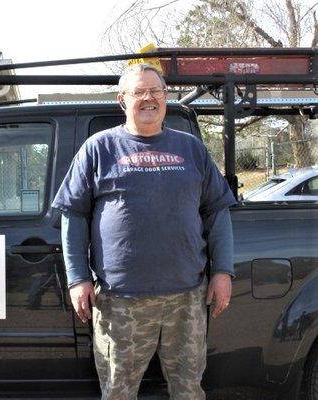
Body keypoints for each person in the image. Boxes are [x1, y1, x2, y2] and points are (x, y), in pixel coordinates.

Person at [52, 64, 237, 400]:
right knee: (118, 391)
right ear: (122, 99)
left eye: (156, 91)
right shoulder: (99, 149)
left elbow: (216, 211)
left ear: (166, 97)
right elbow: (73, 216)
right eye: (139, 92)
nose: (149, 98)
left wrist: (222, 272)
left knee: (189, 390)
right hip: (120, 299)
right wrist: (78, 278)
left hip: (186, 297)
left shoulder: (192, 149)